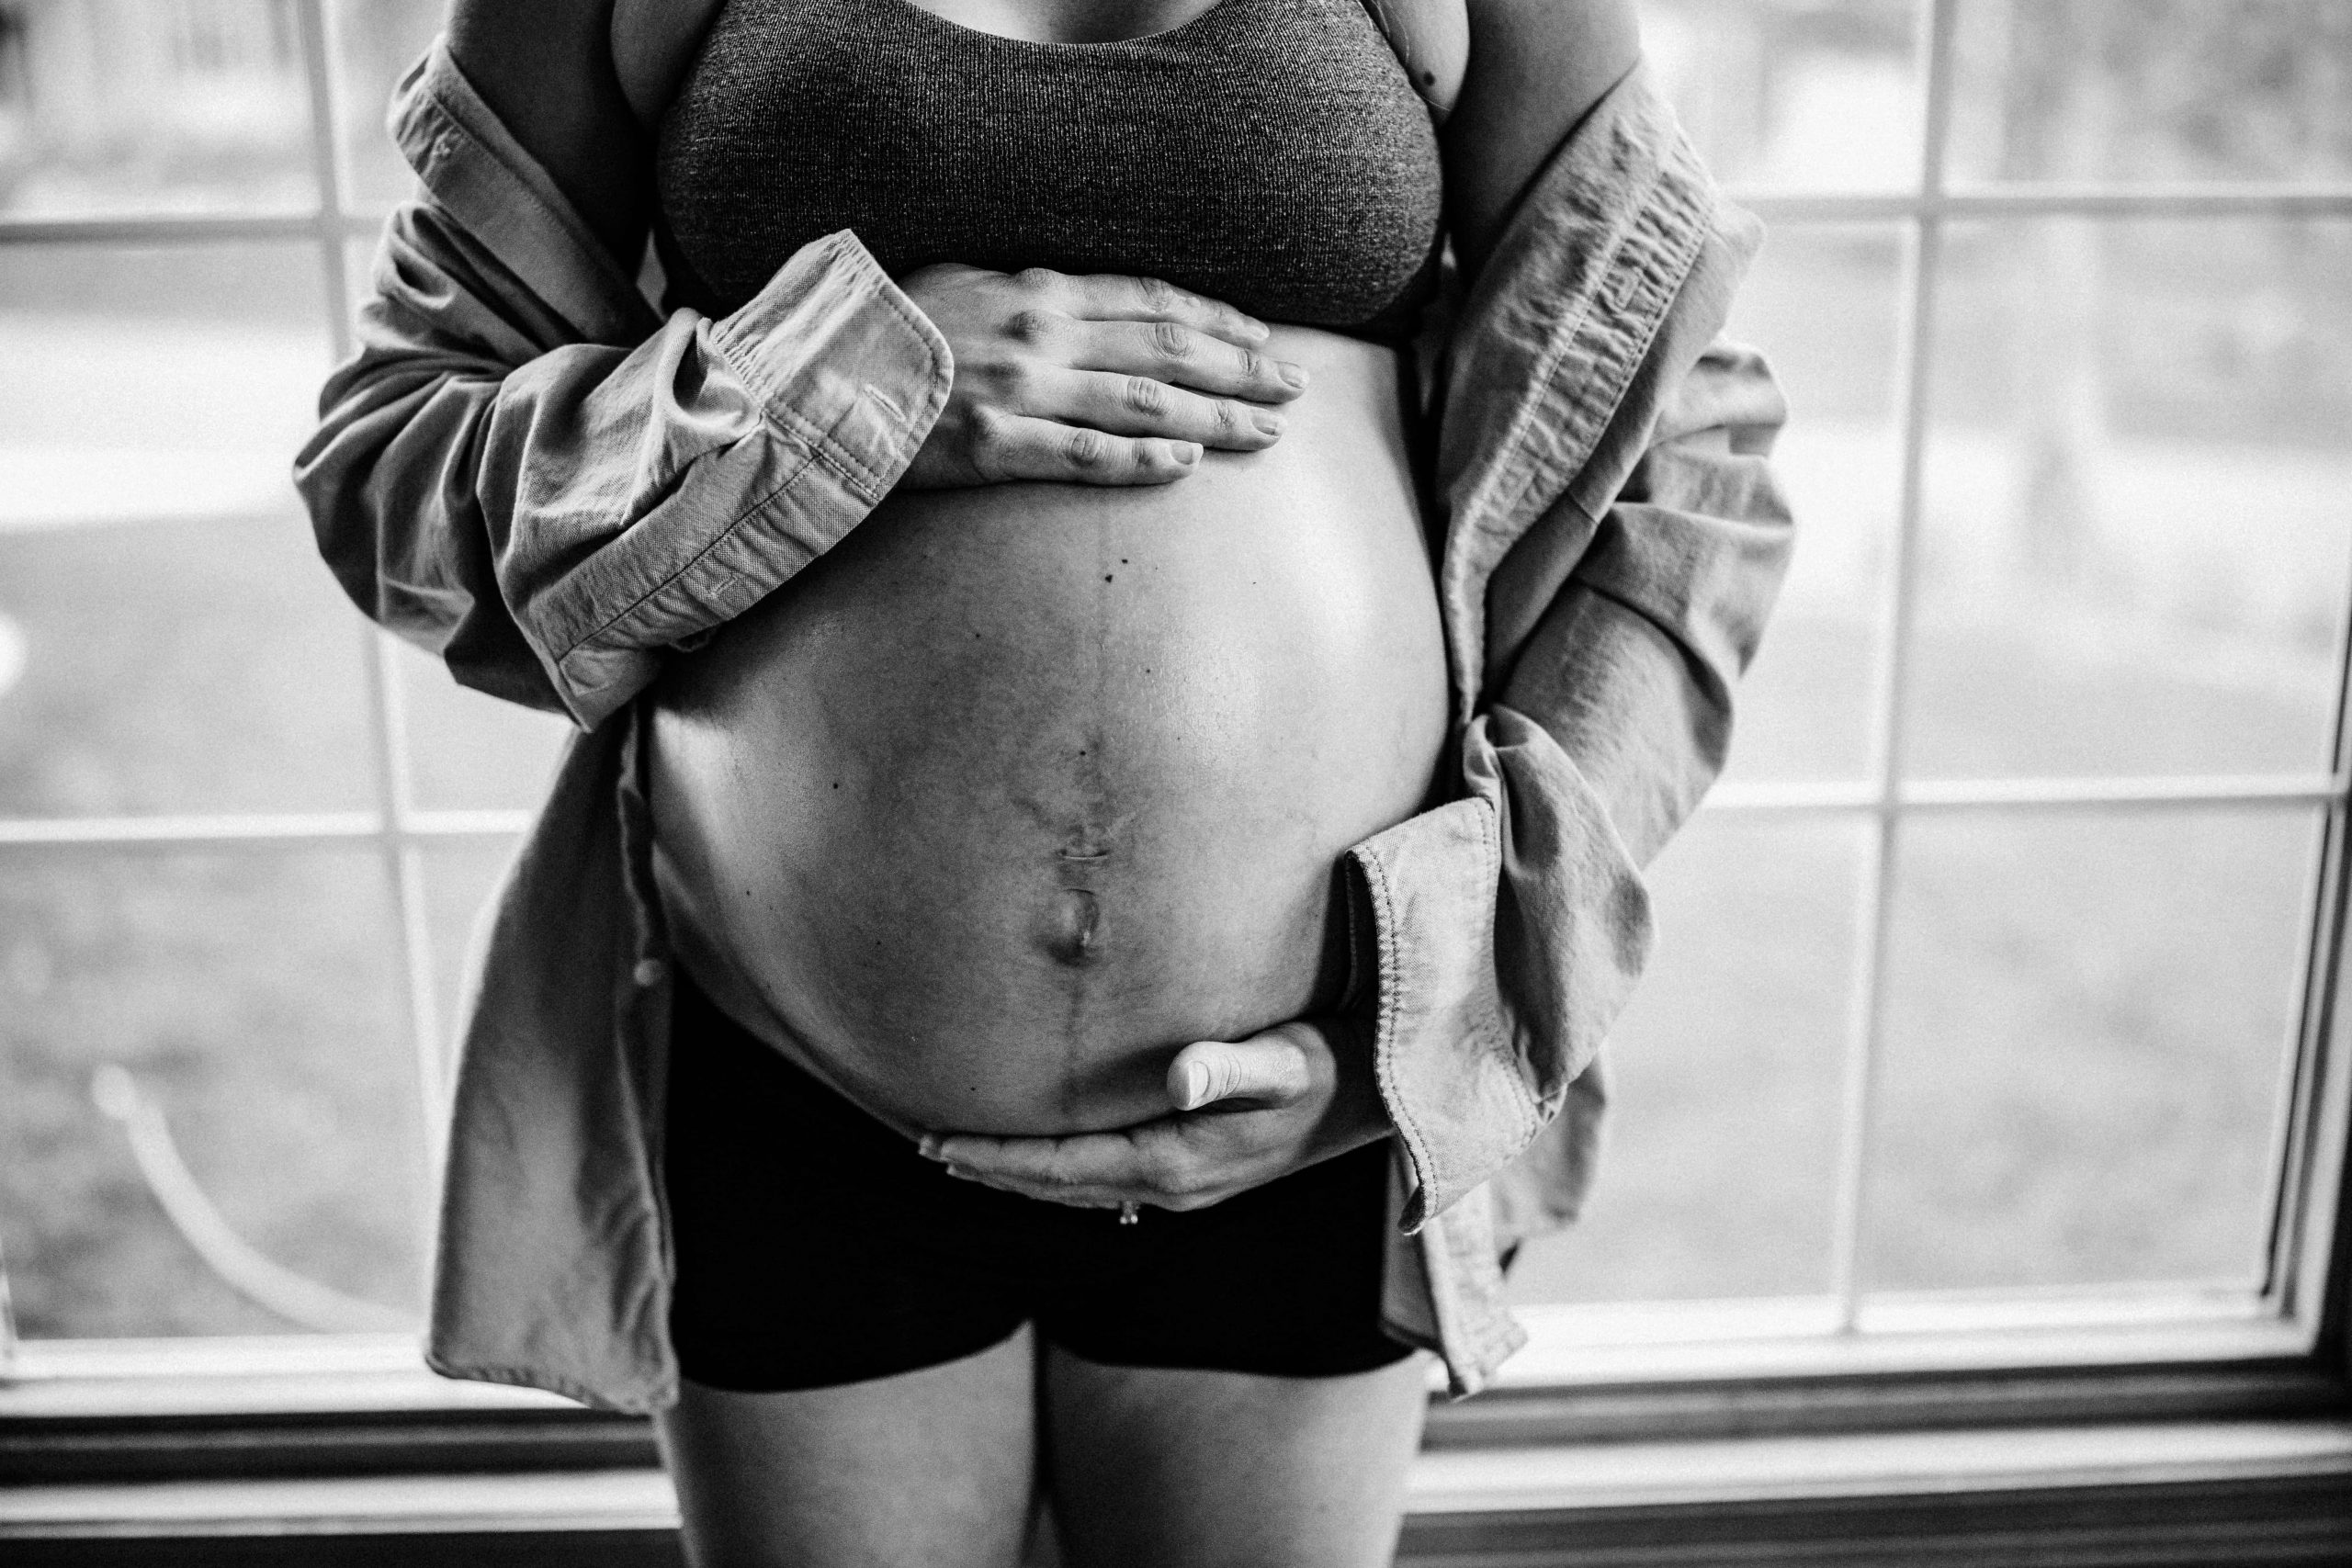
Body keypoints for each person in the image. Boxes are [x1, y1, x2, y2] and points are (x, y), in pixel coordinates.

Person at [295, 0, 1792, 1562]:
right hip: (786, 1080)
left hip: (1302, 1105)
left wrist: (1423, 1034)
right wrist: (839, 394)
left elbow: (1687, 470)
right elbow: (393, 468)